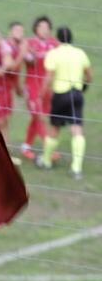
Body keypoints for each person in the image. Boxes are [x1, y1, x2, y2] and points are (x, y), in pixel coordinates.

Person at [40, 25, 92, 178]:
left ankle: (46, 160)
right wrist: (83, 87)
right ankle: (76, 167)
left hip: (60, 94)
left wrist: (42, 93)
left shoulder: (53, 54)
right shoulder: (80, 53)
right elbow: (89, 75)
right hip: (76, 94)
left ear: (57, 39)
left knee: (55, 128)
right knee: (76, 129)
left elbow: (49, 76)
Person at [23, 15, 60, 162]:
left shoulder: (54, 44)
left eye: (46, 27)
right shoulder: (29, 43)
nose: (44, 30)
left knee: (36, 117)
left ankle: (26, 146)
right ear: (35, 29)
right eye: (41, 27)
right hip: (32, 86)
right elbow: (27, 60)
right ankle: (48, 149)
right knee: (37, 115)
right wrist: (30, 55)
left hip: (48, 88)